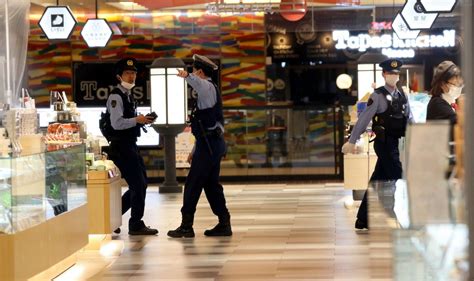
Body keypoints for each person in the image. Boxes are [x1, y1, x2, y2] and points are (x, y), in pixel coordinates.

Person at [341, 59, 412, 230]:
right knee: (399, 176)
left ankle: (363, 219)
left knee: (378, 179)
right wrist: (351, 141)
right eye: (390, 73)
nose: (393, 76)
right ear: (384, 74)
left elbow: (409, 119)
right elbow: (364, 119)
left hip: (398, 143)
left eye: (396, 73)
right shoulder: (377, 96)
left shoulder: (402, 94)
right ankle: (393, 215)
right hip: (385, 143)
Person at [168, 54, 232, 238]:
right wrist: (195, 150)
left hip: (209, 146)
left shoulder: (207, 87)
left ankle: (186, 226)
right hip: (210, 144)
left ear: (200, 72)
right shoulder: (211, 90)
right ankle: (224, 222)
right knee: (211, 185)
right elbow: (206, 128)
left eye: (196, 70)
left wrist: (187, 75)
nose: (194, 74)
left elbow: (198, 83)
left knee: (193, 184)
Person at [106, 57, 158, 235]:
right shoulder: (116, 96)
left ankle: (111, 218)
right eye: (127, 73)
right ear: (119, 77)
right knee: (138, 184)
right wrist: (137, 119)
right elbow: (117, 123)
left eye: (134, 73)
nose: (131, 77)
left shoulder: (127, 96)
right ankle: (135, 224)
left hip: (130, 145)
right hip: (121, 148)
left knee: (141, 183)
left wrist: (141, 121)